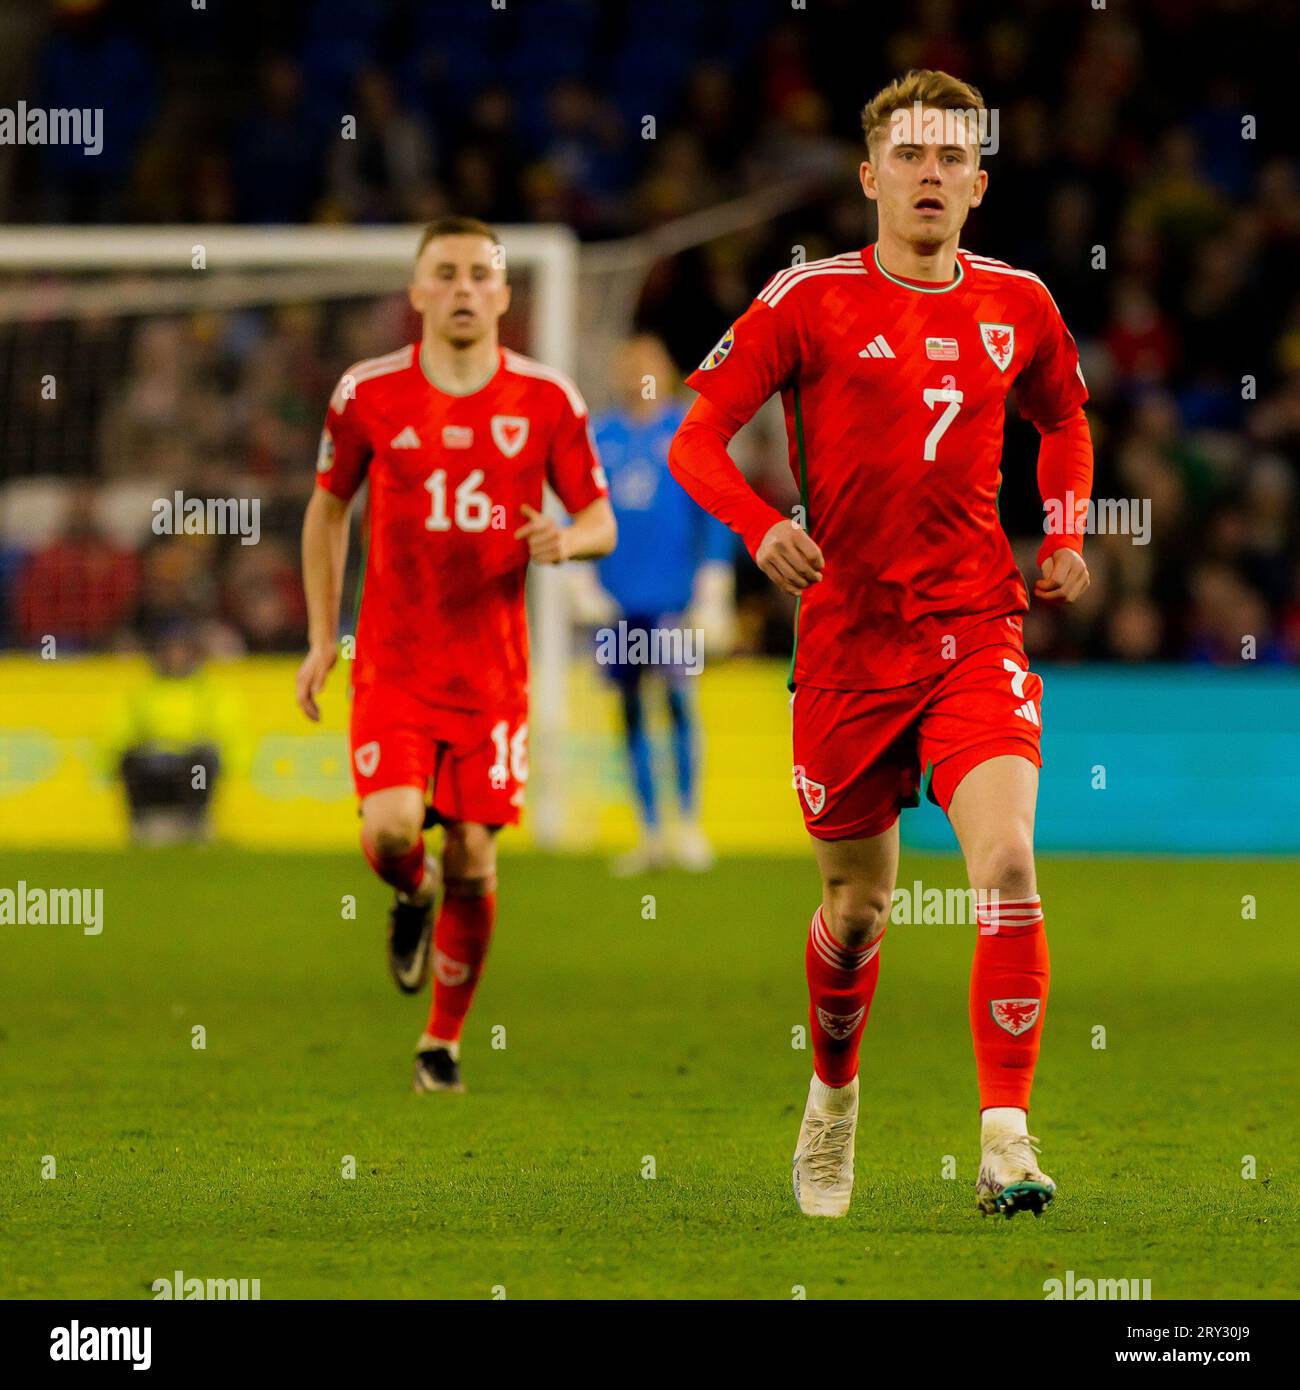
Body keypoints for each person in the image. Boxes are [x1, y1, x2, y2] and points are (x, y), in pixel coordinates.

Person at [668, 71, 1093, 1218]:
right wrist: (760, 528)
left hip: (973, 627)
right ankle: (833, 1096)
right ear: (868, 176)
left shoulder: (1021, 304)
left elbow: (1063, 418)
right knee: (856, 913)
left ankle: (1004, 1132)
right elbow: (695, 438)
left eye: (951, 158)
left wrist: (1063, 529)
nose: (928, 175)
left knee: (1006, 864)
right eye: (908, 155)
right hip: (848, 648)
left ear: (978, 184)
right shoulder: (803, 300)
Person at [296, 216, 615, 1094]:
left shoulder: (548, 401)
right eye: (448, 272)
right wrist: (325, 637)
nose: (466, 288)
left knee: (476, 856)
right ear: (418, 291)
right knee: (393, 828)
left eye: (482, 273)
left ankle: (441, 1042)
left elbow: (601, 519)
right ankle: (409, 892)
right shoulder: (366, 395)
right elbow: (328, 509)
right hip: (396, 666)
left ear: (506, 295)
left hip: (493, 675)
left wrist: (567, 540)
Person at [588, 333, 735, 874]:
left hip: (674, 598)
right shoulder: (599, 435)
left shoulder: (687, 430)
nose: (636, 374)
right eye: (629, 364)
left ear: (667, 370)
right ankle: (648, 831)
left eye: (646, 364)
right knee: (628, 712)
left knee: (676, 703)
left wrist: (714, 582)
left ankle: (688, 825)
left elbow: (716, 507)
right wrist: (580, 579)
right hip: (616, 602)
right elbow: (574, 504)